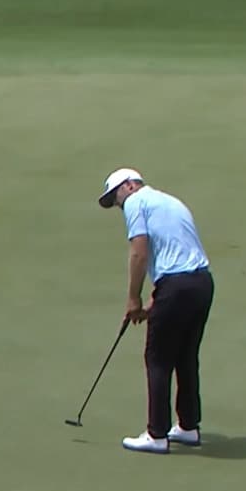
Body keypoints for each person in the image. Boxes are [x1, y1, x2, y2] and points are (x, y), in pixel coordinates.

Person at [97, 167, 215, 454]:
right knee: (186, 357)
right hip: (201, 283)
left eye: (116, 198)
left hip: (177, 287)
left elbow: (139, 250)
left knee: (158, 359)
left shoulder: (136, 202)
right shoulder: (169, 201)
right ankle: (188, 427)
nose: (119, 205)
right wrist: (157, 302)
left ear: (129, 186)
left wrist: (133, 299)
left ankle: (157, 434)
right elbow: (177, 255)